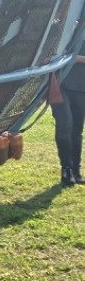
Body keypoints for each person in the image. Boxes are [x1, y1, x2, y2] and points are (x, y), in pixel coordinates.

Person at [52, 51, 85, 187]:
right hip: (60, 85)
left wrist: (76, 58)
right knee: (64, 125)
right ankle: (66, 169)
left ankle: (76, 171)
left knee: (77, 131)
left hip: (82, 87)